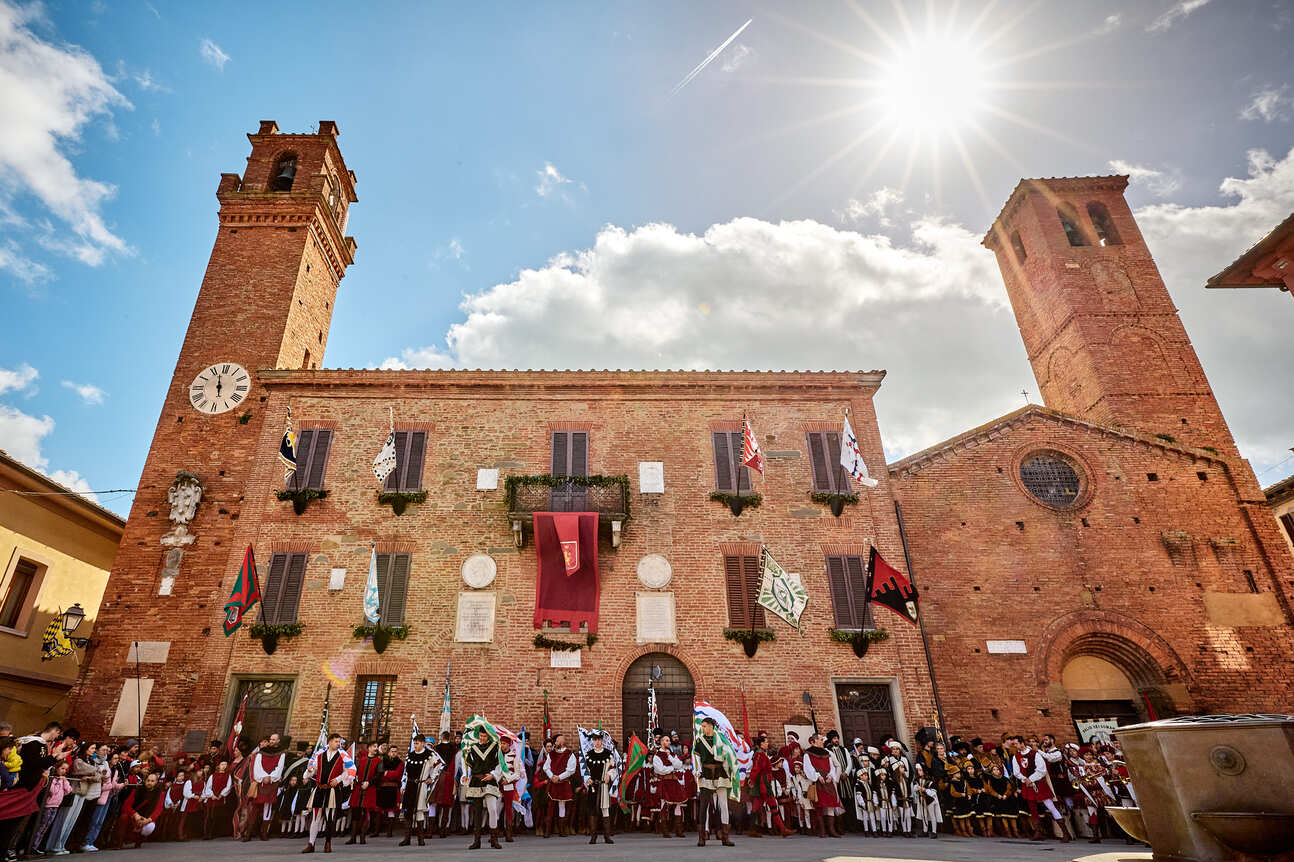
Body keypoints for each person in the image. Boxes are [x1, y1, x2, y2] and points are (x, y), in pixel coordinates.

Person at [1009, 736, 1073, 843]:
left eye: (1015, 743)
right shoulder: (1016, 756)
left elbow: (1041, 770)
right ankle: (1038, 832)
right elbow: (1016, 772)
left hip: (1039, 783)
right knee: (1032, 808)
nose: (1014, 746)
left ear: (1022, 743)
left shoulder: (1035, 754)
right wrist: (1025, 779)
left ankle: (1065, 833)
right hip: (1027, 784)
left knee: (1050, 806)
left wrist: (1031, 779)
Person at [301, 733, 354, 854]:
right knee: (315, 817)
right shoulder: (319, 756)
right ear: (329, 742)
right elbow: (313, 769)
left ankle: (328, 843)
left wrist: (339, 779)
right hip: (319, 789)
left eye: (339, 742)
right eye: (336, 741)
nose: (338, 744)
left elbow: (347, 771)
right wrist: (309, 772)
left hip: (332, 790)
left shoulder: (342, 756)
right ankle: (311, 843)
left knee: (330, 818)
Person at [692, 716, 735, 847]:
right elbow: (696, 758)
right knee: (703, 806)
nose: (702, 728)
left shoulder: (721, 740)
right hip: (705, 774)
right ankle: (702, 836)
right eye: (702, 726)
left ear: (711, 726)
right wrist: (697, 771)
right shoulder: (699, 741)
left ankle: (725, 837)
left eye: (704, 726)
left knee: (724, 806)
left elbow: (729, 755)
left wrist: (730, 771)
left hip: (720, 774)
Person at [461, 727, 503, 850]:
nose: (482, 738)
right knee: (477, 811)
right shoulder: (473, 748)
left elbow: (500, 764)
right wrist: (465, 776)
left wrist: (493, 775)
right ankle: (477, 841)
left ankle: (494, 839)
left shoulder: (495, 747)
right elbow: (469, 765)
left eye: (484, 736)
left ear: (488, 736)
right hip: (476, 781)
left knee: (493, 809)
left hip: (489, 780)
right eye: (480, 736)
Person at [399, 734, 442, 847]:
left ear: (423, 743)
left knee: (419, 810)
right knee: (408, 811)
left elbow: (438, 765)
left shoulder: (429, 754)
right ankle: (407, 838)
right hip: (410, 785)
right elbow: (406, 772)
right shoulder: (411, 755)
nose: (415, 745)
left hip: (421, 785)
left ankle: (421, 838)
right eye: (414, 743)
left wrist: (431, 777)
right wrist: (403, 785)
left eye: (417, 743)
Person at [746, 734, 792, 838]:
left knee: (756, 807)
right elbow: (756, 768)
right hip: (764, 783)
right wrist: (752, 780)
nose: (768, 743)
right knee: (773, 805)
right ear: (761, 744)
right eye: (766, 742)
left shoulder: (762, 754)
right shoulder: (759, 754)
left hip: (763, 782)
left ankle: (752, 829)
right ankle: (783, 829)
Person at [242, 736, 284, 841]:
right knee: (255, 807)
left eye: (274, 740)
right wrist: (262, 777)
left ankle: (264, 832)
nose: (271, 741)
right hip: (260, 782)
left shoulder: (281, 753)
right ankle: (249, 833)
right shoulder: (261, 752)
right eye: (270, 740)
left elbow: (279, 767)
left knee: (268, 807)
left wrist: (271, 778)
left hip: (272, 783)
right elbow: (257, 766)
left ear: (278, 741)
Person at [802, 733, 842, 838]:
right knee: (819, 805)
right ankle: (822, 830)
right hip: (817, 782)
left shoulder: (826, 753)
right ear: (814, 741)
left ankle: (831, 829)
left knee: (831, 805)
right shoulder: (808, 754)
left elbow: (832, 767)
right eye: (820, 740)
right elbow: (808, 768)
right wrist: (817, 776)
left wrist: (831, 776)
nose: (822, 741)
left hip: (828, 782)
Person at [582, 732, 616, 845]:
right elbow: (584, 770)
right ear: (593, 741)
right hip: (593, 786)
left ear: (602, 740)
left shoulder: (608, 754)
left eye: (599, 739)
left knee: (605, 809)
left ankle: (607, 836)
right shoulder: (588, 755)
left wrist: (609, 775)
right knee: (593, 810)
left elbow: (613, 767)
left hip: (603, 786)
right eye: (595, 740)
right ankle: (593, 836)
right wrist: (587, 779)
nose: (597, 742)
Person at [649, 734, 685, 839]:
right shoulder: (657, 756)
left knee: (678, 803)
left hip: (674, 782)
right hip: (664, 781)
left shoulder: (672, 754)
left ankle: (678, 830)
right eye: (666, 740)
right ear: (661, 742)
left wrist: (670, 757)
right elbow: (660, 769)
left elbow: (679, 765)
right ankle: (665, 830)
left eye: (669, 740)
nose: (669, 742)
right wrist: (671, 768)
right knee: (664, 805)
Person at [117, 771, 164, 849]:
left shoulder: (160, 793)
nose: (149, 783)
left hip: (147, 817)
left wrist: (148, 820)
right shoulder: (137, 790)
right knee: (124, 817)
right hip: (134, 816)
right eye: (148, 780)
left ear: (156, 782)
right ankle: (119, 843)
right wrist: (135, 815)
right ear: (145, 781)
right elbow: (126, 805)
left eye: (152, 781)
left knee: (150, 827)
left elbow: (158, 810)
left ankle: (139, 840)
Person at [543, 733, 577, 838]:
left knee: (562, 805)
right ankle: (548, 830)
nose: (555, 743)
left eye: (557, 741)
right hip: (553, 782)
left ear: (562, 741)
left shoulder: (569, 754)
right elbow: (546, 767)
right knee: (550, 806)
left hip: (563, 783)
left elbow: (571, 770)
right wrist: (552, 776)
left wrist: (559, 777)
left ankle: (562, 830)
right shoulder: (551, 754)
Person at [431, 732, 458, 838]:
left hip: (438, 777)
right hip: (449, 777)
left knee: (433, 803)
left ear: (441, 738)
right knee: (446, 805)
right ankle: (443, 830)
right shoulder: (455, 749)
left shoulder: (436, 749)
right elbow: (455, 765)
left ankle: (431, 829)